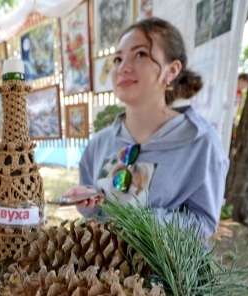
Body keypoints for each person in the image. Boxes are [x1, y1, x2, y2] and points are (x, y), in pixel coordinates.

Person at [63, 17, 229, 241]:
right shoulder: (99, 144)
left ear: (171, 71)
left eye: (140, 54)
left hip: (167, 274)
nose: (123, 68)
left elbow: (203, 223)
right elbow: (97, 217)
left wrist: (134, 218)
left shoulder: (201, 143)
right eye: (118, 59)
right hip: (101, 273)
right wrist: (89, 204)